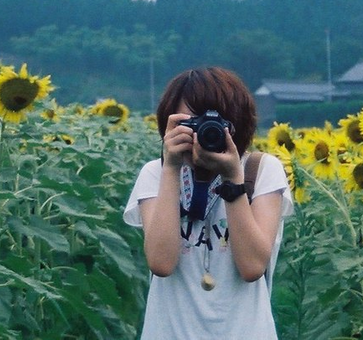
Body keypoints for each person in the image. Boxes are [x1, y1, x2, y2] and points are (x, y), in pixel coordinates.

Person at [123, 67, 294, 339]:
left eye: (212, 125)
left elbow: (251, 267)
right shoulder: (155, 174)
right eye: (190, 124)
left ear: (236, 125)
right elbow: (161, 263)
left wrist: (233, 178)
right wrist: (171, 168)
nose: (202, 134)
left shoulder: (260, 170)